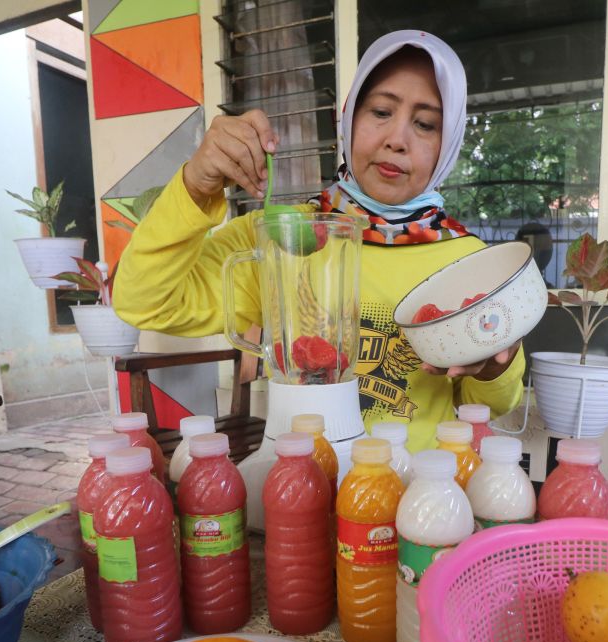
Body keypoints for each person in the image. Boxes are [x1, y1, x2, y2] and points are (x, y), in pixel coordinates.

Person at [114, 30, 523, 452]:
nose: (397, 139)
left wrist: (492, 369)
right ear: (346, 119)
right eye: (381, 111)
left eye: (425, 124)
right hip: (299, 482)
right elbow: (143, 301)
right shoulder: (285, 240)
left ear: (448, 142)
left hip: (418, 494)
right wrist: (196, 187)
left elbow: (492, 404)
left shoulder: (470, 262)